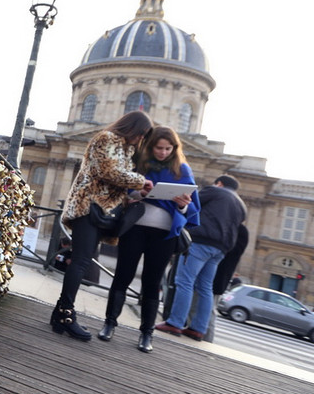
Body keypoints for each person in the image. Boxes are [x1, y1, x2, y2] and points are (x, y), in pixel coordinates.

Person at [50, 111, 154, 340]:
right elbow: (107, 171)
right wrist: (141, 181)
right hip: (88, 205)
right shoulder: (106, 138)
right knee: (81, 261)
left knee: (82, 260)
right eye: (141, 134)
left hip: (101, 209)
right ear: (131, 127)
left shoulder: (125, 149)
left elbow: (113, 182)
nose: (141, 139)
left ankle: (59, 314)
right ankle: (66, 315)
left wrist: (131, 196)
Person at [98, 126, 200, 353]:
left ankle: (146, 334)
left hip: (164, 234)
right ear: (150, 146)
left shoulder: (182, 170)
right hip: (135, 228)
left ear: (174, 148)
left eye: (168, 149)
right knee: (123, 276)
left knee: (152, 284)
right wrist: (138, 193)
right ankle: (109, 324)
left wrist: (182, 206)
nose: (163, 152)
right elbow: (122, 192)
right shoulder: (139, 165)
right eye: (158, 148)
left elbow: (191, 208)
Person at [156, 175, 247, 340]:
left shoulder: (215, 191)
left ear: (219, 183)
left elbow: (191, 203)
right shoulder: (241, 205)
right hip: (220, 249)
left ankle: (175, 323)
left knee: (184, 281)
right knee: (205, 287)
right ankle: (198, 328)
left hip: (201, 241)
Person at [201, 224, 248, 342]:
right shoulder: (233, 228)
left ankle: (206, 341)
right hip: (212, 278)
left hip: (217, 279)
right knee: (203, 311)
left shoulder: (239, 231)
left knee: (208, 312)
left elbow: (231, 253)